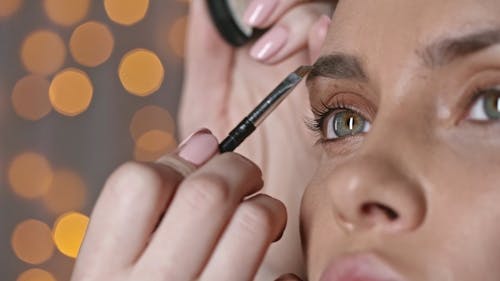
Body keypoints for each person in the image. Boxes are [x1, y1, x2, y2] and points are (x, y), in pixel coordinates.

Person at [72, 0, 500, 280]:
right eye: (345, 121)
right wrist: (261, 254)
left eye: (492, 104)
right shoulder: (292, 219)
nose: (351, 186)